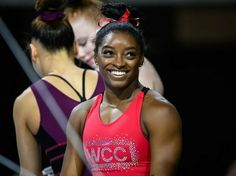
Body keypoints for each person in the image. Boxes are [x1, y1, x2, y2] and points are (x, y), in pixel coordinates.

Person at [61, 2, 182, 176]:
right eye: (109, 53)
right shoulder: (81, 114)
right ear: (97, 55)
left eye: (82, 42)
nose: (118, 62)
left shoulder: (158, 110)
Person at [12, 0, 104, 175]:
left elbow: (30, 174)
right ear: (74, 46)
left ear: (34, 51)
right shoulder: (108, 81)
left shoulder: (26, 102)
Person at [64, 0, 164, 95]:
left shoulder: (131, 69)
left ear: (104, 27)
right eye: (73, 48)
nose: (80, 54)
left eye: (83, 42)